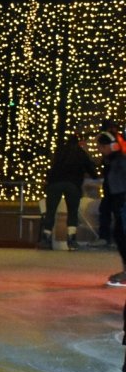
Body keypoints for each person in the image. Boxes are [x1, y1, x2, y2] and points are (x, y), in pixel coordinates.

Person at [39, 131, 97, 250]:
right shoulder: (81, 153)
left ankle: (46, 237)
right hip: (73, 184)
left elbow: (53, 166)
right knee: (72, 212)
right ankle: (71, 239)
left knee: (51, 211)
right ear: (80, 142)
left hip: (54, 183)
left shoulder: (60, 151)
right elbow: (91, 170)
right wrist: (94, 174)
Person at [97, 122, 126, 285]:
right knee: (120, 235)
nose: (100, 150)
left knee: (122, 235)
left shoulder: (121, 160)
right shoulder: (112, 161)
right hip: (118, 201)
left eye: (102, 147)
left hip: (123, 201)